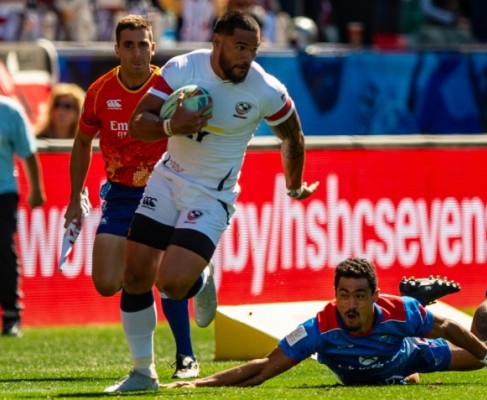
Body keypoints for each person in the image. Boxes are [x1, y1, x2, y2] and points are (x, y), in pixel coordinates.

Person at [103, 10, 319, 392]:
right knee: (134, 276)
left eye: (252, 50)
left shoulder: (265, 89)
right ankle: (141, 374)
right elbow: (140, 122)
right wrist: (173, 125)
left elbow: (293, 136)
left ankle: (200, 279)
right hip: (167, 180)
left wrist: (294, 185)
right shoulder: (184, 68)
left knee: (171, 282)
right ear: (216, 42)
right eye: (239, 47)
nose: (246, 57)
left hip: (213, 194)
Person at [62, 14, 214, 383]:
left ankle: (174, 359)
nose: (136, 53)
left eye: (142, 44)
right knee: (106, 282)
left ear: (153, 47)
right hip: (121, 194)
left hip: (166, 188)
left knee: (154, 274)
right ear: (116, 50)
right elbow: (83, 141)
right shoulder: (100, 91)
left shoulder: (173, 85)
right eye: (127, 45)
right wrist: (74, 195)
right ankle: (201, 279)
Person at [161, 254, 487, 388]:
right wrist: (200, 382)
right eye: (344, 295)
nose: (350, 304)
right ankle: (417, 291)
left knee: (483, 342)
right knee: (407, 385)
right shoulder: (321, 327)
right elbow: (263, 369)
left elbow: (451, 328)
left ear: (374, 297)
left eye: (360, 296)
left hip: (407, 354)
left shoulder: (396, 312)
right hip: (386, 370)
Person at [0, 94, 46, 337]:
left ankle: (10, 314)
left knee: (4, 250)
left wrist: (36, 190)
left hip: (3, 192)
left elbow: (28, 152)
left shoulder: (9, 111)